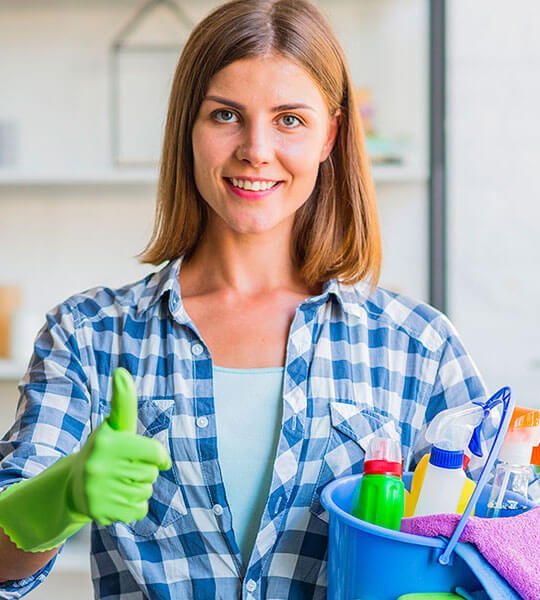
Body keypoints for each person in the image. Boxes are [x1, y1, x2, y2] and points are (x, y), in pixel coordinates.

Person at [0, 0, 490, 598]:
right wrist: (62, 496)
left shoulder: (419, 345)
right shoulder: (88, 335)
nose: (256, 149)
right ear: (189, 127)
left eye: (289, 119)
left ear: (329, 136)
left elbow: (496, 547)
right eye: (226, 114)